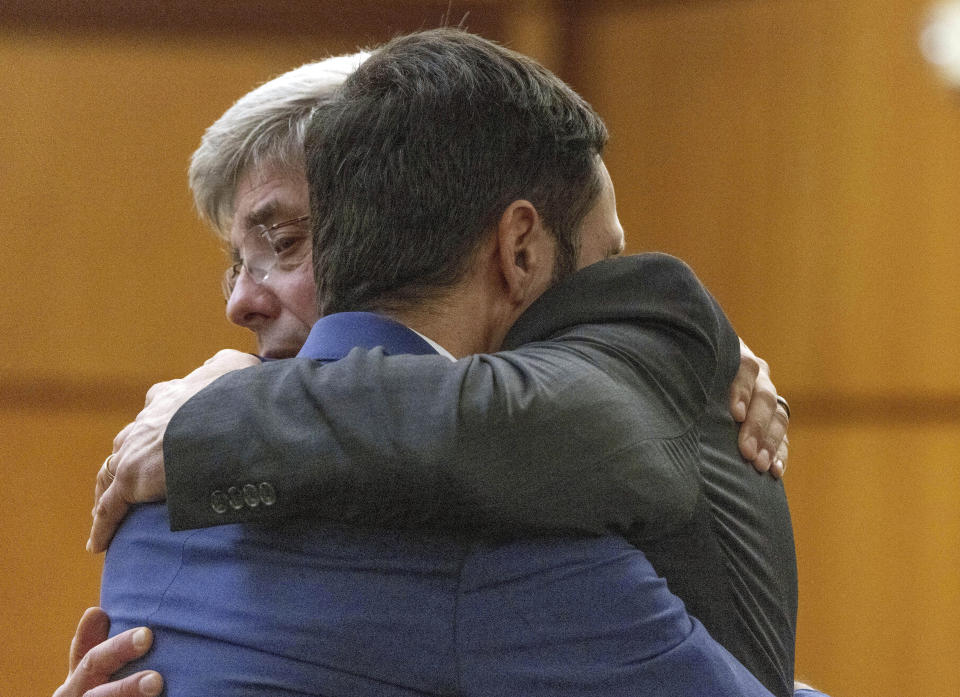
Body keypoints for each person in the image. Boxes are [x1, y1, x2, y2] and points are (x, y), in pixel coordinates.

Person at [56, 33, 799, 697]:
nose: (241, 303)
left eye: (284, 242)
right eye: (237, 260)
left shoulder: (153, 499)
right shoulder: (497, 548)